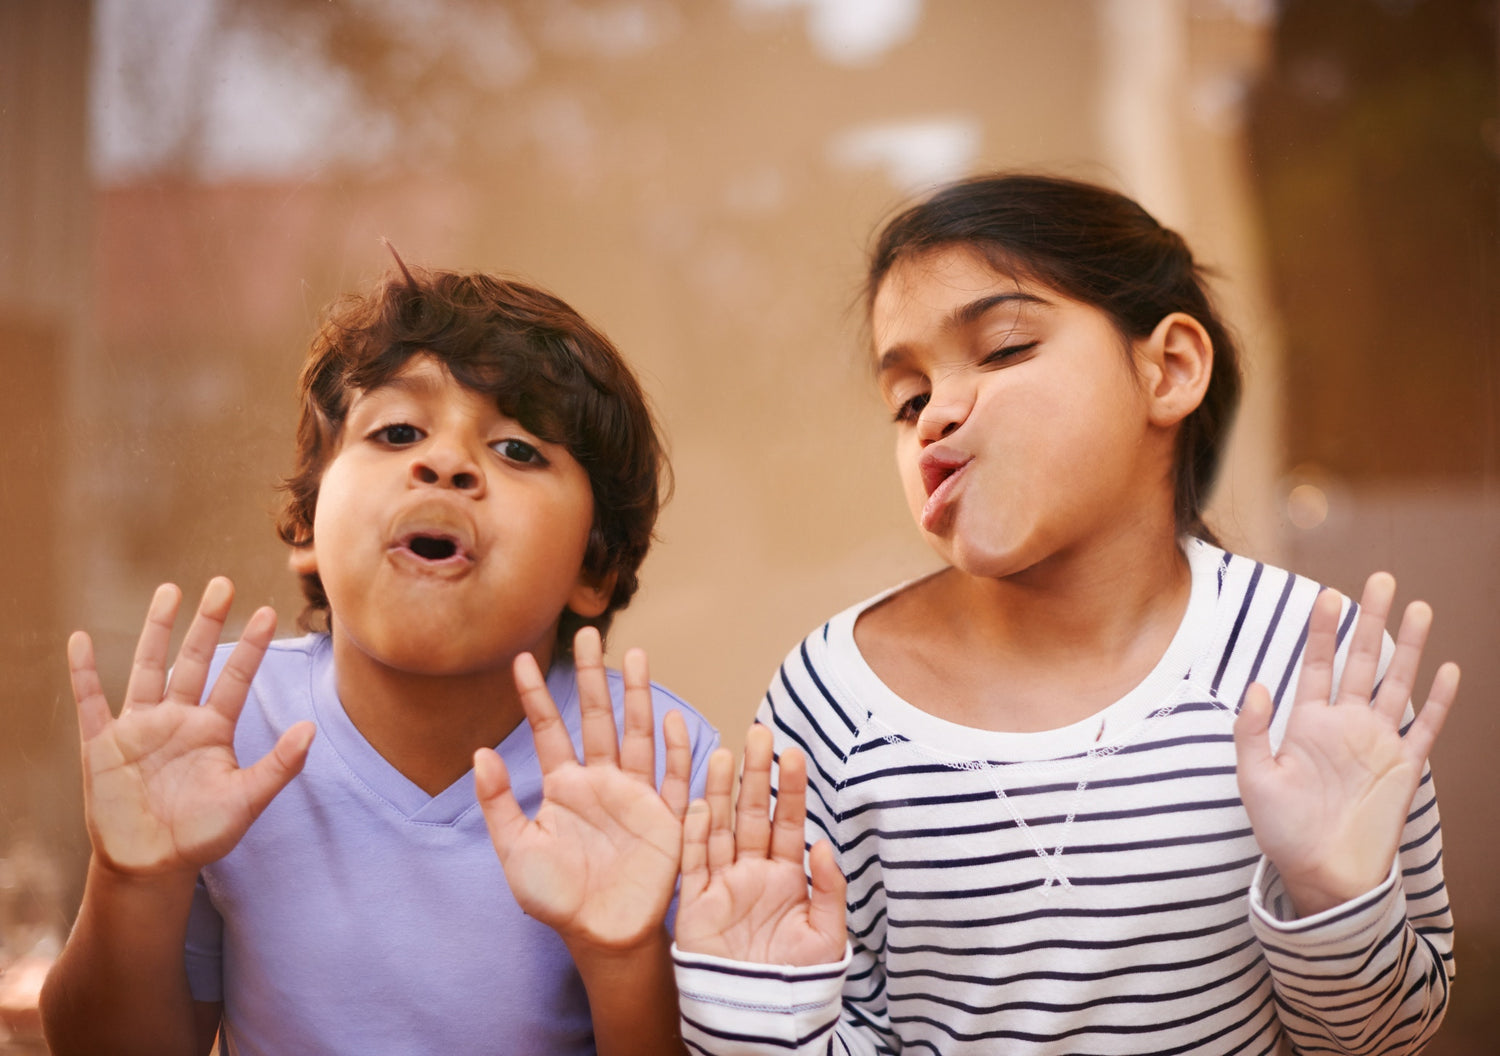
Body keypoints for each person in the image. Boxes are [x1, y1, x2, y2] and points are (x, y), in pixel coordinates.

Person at [670, 173, 1459, 1055]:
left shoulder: (1309, 660)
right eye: (908, 397)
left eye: (1003, 349)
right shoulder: (829, 700)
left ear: (1169, 369)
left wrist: (1332, 895)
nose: (938, 413)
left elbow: (1385, 1038)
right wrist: (751, 1014)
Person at [39, 260, 719, 1056]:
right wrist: (133, 881)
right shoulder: (216, 730)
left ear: (594, 571)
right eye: (397, 432)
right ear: (305, 529)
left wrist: (622, 957)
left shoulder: (653, 774)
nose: (446, 463)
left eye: (517, 449)